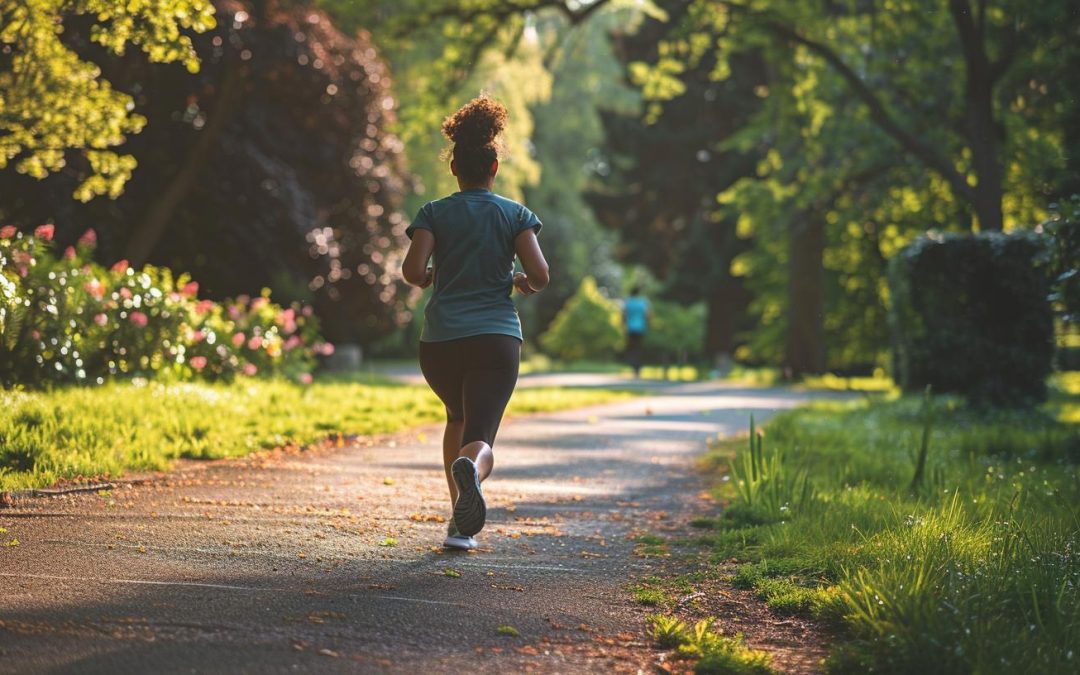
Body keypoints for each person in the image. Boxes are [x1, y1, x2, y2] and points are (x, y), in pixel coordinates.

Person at [401, 95, 549, 551]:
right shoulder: (515, 214)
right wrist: (521, 281)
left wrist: (429, 276)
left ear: (454, 168)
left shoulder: (433, 212)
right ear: (494, 166)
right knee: (479, 436)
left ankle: (458, 524)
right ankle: (473, 479)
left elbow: (411, 271)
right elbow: (541, 275)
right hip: (495, 340)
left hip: (440, 342)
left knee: (456, 418)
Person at [622, 286, 650, 377]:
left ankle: (634, 367)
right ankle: (638, 368)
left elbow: (624, 316)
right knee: (639, 348)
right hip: (641, 328)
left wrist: (623, 325)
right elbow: (648, 315)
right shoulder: (643, 303)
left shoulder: (628, 303)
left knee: (632, 348)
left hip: (630, 328)